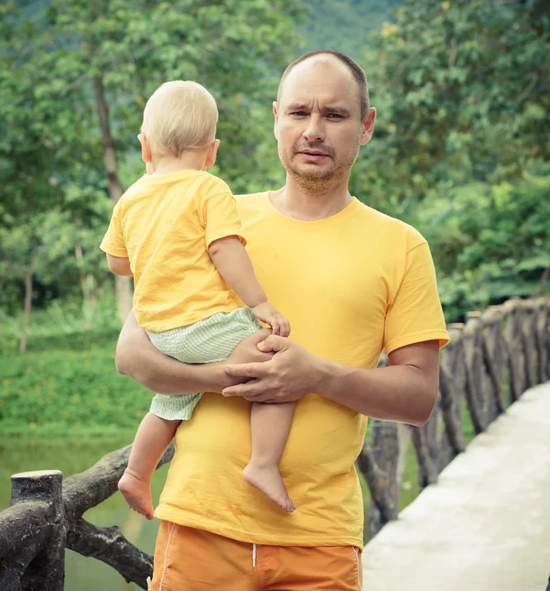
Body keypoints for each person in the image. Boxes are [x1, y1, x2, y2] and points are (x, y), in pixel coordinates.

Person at [115, 50, 451, 591]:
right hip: (201, 525)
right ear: (276, 118)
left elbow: (418, 398)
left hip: (318, 538)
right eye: (299, 113)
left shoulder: (401, 246)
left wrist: (315, 374)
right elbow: (132, 355)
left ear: (365, 126)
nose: (313, 131)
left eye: (335, 116)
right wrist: (228, 378)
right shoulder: (210, 213)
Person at [100, 81, 297, 519]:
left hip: (159, 335)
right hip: (205, 326)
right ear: (212, 152)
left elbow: (118, 263)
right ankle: (263, 464)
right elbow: (225, 249)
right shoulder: (208, 189)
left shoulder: (130, 198)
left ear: (144, 147)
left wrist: (157, 252)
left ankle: (136, 471)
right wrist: (260, 304)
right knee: (276, 370)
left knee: (174, 399)